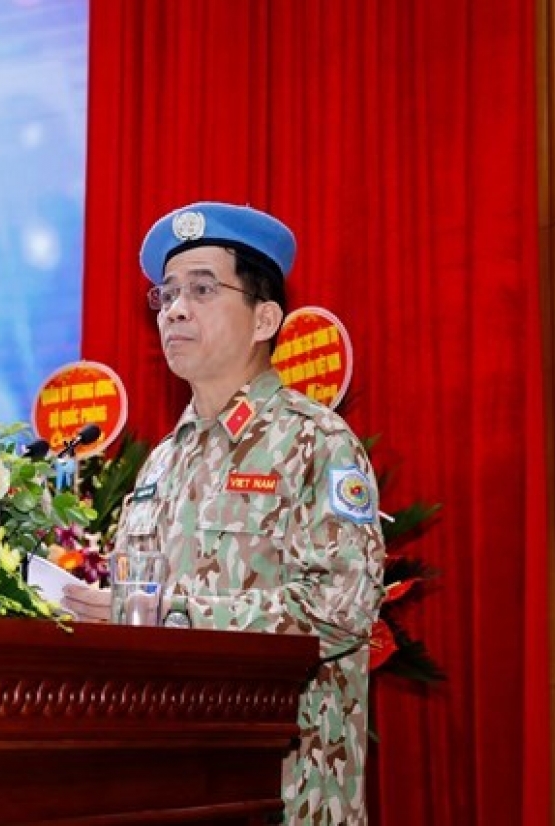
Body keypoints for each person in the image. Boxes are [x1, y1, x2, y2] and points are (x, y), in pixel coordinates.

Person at [62, 201, 386, 825]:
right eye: (168, 294)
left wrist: (168, 614)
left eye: (204, 289)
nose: (176, 308)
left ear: (265, 317)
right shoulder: (161, 462)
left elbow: (341, 613)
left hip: (285, 789)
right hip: (170, 786)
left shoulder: (316, 441)